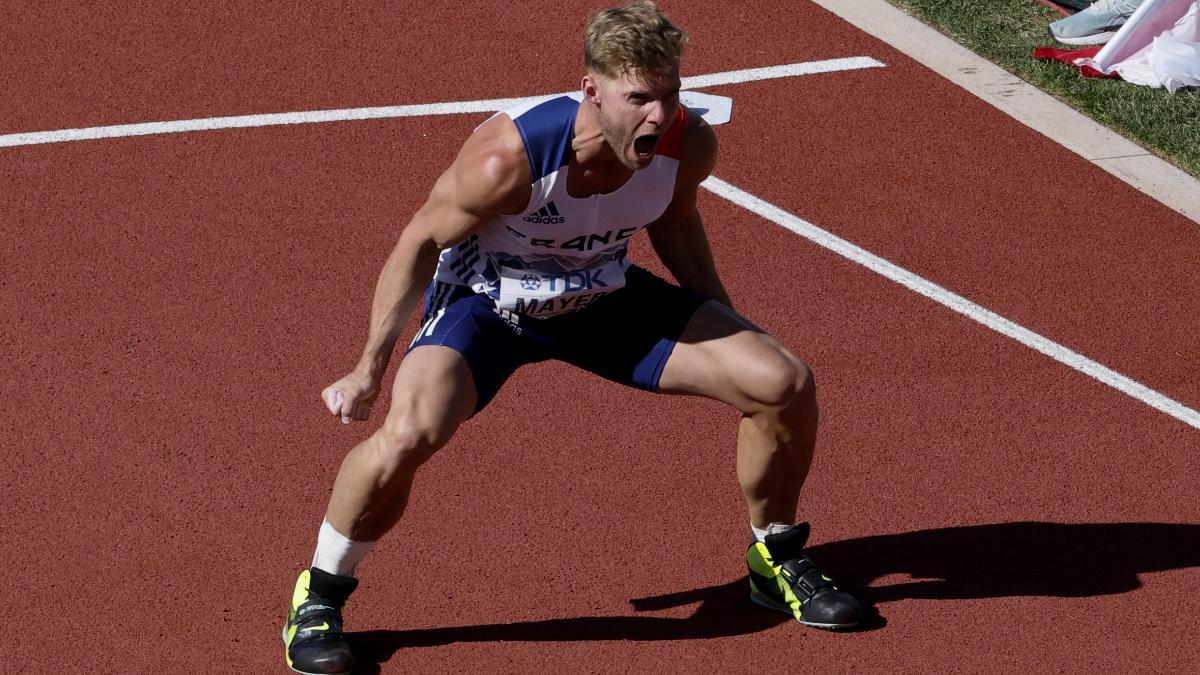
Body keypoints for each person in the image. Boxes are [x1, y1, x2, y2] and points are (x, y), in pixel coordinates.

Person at [282, 2, 861, 672]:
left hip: (602, 299)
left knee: (782, 382)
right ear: (592, 89)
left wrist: (727, 321)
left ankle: (777, 556)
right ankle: (319, 596)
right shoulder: (509, 157)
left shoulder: (686, 143)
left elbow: (674, 224)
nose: (659, 114)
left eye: (670, 93)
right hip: (489, 306)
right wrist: (368, 367)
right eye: (639, 98)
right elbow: (419, 240)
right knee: (410, 432)